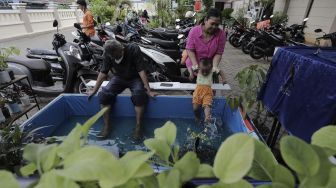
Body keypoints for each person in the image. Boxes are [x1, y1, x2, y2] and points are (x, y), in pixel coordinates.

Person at [88, 40, 158, 139]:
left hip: (135, 77)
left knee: (139, 95)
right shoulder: (108, 53)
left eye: (116, 54)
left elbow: (141, 70)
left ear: (121, 48)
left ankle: (138, 126)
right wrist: (94, 90)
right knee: (104, 95)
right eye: (112, 56)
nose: (114, 57)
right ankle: (107, 125)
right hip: (119, 77)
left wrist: (148, 90)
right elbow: (103, 72)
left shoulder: (133, 48)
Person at [186, 8, 227, 81]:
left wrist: (214, 67)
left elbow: (218, 53)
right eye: (212, 24)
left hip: (209, 69)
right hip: (193, 66)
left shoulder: (221, 34)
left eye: (217, 25)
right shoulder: (194, 31)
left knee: (210, 91)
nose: (214, 27)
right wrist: (195, 66)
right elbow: (190, 50)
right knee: (194, 90)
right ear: (205, 20)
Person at [193, 58, 227, 123]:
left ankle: (207, 117)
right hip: (197, 91)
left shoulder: (213, 69)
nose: (205, 72)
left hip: (207, 91)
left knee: (207, 105)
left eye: (207, 70)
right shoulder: (197, 68)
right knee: (195, 108)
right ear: (199, 68)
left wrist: (224, 79)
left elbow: (220, 71)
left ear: (211, 68)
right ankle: (197, 117)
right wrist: (191, 74)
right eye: (203, 70)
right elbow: (191, 67)